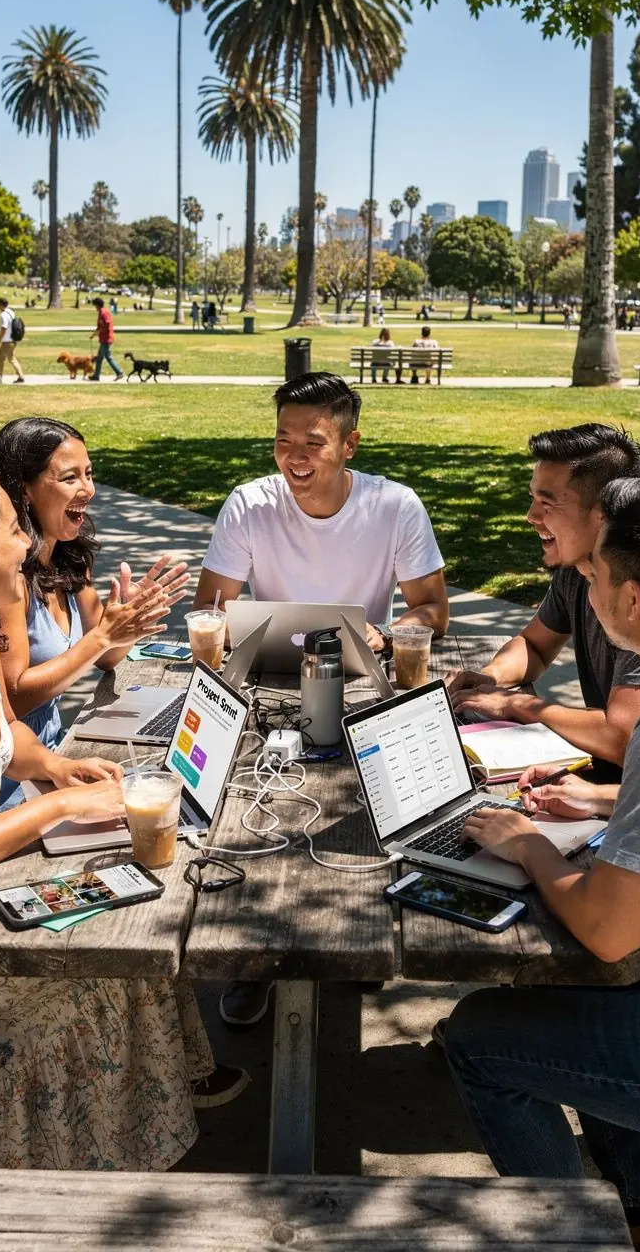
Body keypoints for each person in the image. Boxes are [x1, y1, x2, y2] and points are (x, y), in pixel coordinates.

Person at [0, 461, 244, 1201]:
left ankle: (110, 1163)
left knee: (133, 925)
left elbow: (3, 738)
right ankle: (63, 1192)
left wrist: (54, 766)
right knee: (109, 959)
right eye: (12, 529)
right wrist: (50, 810)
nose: (27, 541)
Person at [444, 477, 640, 1252]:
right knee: (573, 1005)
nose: (579, 586)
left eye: (592, 577)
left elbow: (607, 933)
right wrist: (603, 805)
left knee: (480, 1037)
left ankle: (575, 1240)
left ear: (635, 602)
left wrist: (523, 841)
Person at [193, 371, 449, 1026]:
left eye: (313, 441)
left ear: (350, 444)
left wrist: (382, 633)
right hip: (269, 676)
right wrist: (232, 627)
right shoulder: (250, 502)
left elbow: (432, 611)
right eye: (282, 440)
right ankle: (256, 960)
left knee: (355, 815)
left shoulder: (395, 505)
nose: (295, 456)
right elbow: (211, 608)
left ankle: (351, 946)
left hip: (367, 677)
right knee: (258, 808)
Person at [0, 417, 189, 806]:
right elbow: (13, 699)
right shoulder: (7, 581)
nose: (89, 489)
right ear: (24, 489)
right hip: (11, 779)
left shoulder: (69, 558)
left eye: (90, 474)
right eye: (69, 478)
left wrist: (127, 624)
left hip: (54, 757)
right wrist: (102, 637)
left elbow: (107, 657)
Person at [447, 425, 640, 783]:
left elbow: (624, 737)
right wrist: (490, 677)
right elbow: (533, 644)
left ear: (604, 514)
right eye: (532, 499)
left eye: (547, 503)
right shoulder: (576, 569)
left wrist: (518, 704)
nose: (531, 517)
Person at [89, 296, 123, 381]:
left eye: (95, 306)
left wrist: (100, 331)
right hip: (103, 339)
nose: (95, 308)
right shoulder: (101, 312)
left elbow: (107, 325)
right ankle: (96, 376)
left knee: (108, 357)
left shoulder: (104, 313)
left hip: (106, 339)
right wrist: (94, 335)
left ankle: (119, 372)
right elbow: (99, 327)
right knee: (99, 358)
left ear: (98, 305)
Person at [0, 297, 25, 384]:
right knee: (11, 358)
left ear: (0, 305)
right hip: (13, 340)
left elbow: (3, 329)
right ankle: (21, 376)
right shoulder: (11, 312)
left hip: (7, 341)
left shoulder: (3, 314)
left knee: (0, 359)